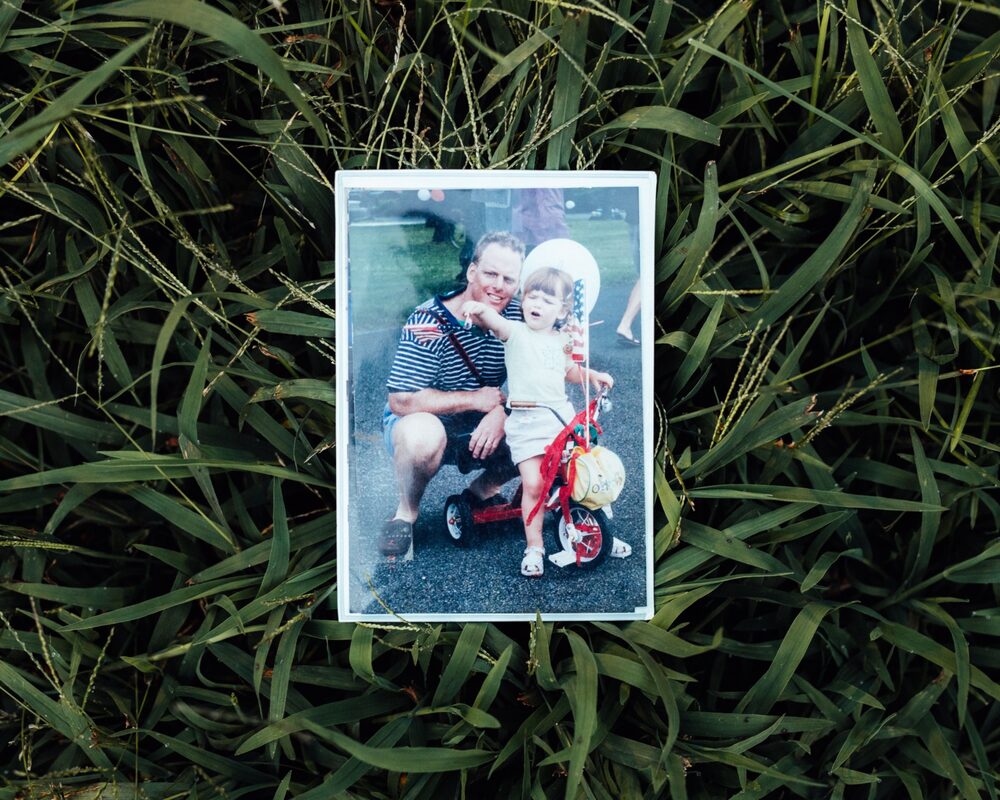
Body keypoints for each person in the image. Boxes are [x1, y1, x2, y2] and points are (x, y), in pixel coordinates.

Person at [460, 267, 613, 577]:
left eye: (547, 300)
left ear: (562, 310)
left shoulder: (564, 340)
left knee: (580, 476)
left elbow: (570, 371)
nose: (537, 304)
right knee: (534, 483)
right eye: (532, 296)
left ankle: (597, 527)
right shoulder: (515, 332)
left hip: (560, 419)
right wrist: (478, 308)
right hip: (527, 422)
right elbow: (495, 321)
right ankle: (534, 546)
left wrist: (592, 374)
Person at [379, 232, 525, 557]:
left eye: (509, 279)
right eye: (490, 274)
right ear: (472, 271)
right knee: (422, 438)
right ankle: (406, 512)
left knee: (547, 428)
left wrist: (500, 412)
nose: (498, 286)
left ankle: (482, 491)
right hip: (425, 419)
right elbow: (401, 399)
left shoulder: (518, 316)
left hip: (484, 418)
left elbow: (541, 376)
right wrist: (475, 400)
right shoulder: (429, 320)